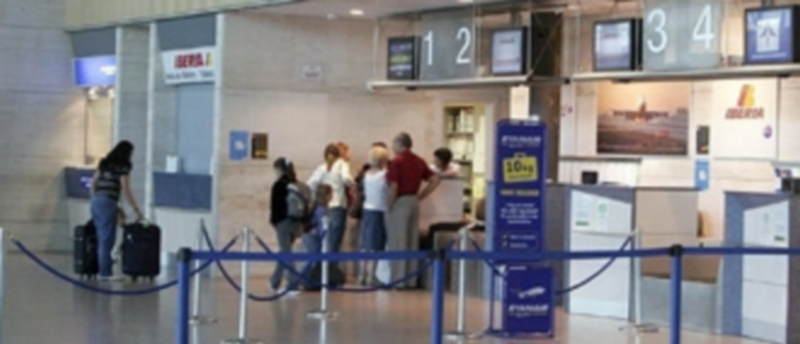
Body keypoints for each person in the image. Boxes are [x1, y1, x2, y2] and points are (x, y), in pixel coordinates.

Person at [386, 133, 441, 289]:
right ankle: (411, 279)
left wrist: (389, 205)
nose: (392, 147)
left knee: (398, 241)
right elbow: (435, 180)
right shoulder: (419, 161)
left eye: (394, 143)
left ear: (400, 144)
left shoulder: (396, 162)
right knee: (411, 241)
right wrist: (421, 196)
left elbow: (394, 187)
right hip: (413, 200)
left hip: (400, 201)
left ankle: (398, 280)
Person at [90, 140, 143, 282]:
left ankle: (104, 269)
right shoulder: (123, 167)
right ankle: (105, 273)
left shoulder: (104, 163)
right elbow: (126, 190)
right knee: (106, 239)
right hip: (108, 202)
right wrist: (136, 209)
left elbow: (93, 183)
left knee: (103, 237)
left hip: (97, 202)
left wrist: (99, 199)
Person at [307, 144, 353, 253]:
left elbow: (310, 183)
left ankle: (323, 268)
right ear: (338, 155)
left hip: (323, 206)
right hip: (338, 205)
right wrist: (353, 184)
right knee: (335, 241)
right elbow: (346, 178)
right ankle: (332, 267)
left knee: (324, 240)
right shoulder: (342, 164)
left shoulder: (321, 168)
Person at [269, 157, 303, 292]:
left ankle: (293, 283)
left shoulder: (279, 185)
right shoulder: (296, 184)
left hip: (283, 222)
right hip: (296, 223)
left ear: (278, 169)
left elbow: (275, 207)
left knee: (286, 252)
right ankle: (274, 282)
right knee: (285, 251)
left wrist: (274, 222)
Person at [357, 145, 390, 286]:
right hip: (379, 210)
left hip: (367, 209)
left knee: (365, 245)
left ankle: (362, 274)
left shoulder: (366, 174)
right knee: (376, 245)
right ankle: (372, 275)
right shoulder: (383, 175)